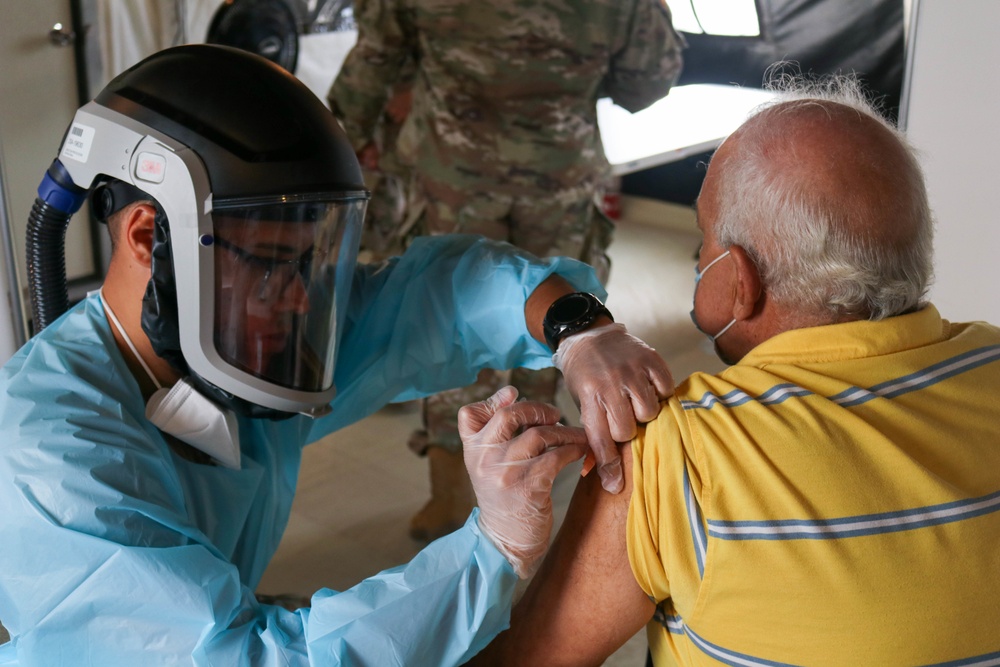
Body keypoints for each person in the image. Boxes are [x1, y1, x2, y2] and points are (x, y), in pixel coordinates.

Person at [0, 44, 673, 665]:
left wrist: (578, 329)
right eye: (270, 263)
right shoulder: (50, 458)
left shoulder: (242, 337)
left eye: (308, 264)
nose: (301, 302)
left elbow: (439, 295)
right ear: (149, 236)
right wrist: (489, 551)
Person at [468, 74, 1000, 666]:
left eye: (703, 238)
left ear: (739, 280)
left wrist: (488, 547)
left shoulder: (684, 451)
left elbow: (533, 661)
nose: (698, 258)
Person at [328, 0, 686, 541]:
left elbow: (378, 58)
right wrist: (561, 76)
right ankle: (531, 479)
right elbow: (649, 79)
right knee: (554, 325)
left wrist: (338, 145)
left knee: (446, 316)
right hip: (557, 171)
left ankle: (451, 497)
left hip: (454, 172)